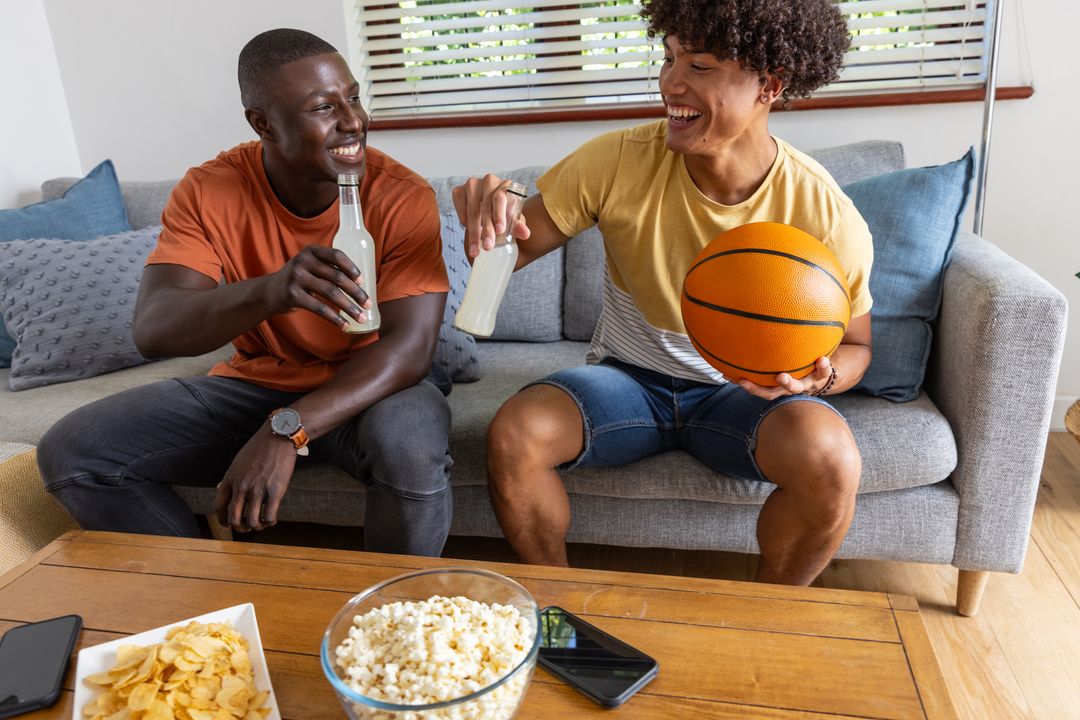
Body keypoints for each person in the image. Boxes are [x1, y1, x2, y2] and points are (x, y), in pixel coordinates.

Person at [453, 0, 872, 585]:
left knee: (832, 458)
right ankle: (559, 610)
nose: (670, 82)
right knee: (516, 432)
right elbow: (503, 252)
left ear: (768, 86)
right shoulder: (616, 161)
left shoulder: (822, 210)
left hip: (744, 394)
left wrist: (818, 379)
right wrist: (485, 215)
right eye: (669, 57)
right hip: (628, 381)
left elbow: (857, 345)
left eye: (699, 67)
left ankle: (776, 612)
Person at [37, 29, 454, 557]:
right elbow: (154, 329)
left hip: (372, 388)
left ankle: (386, 628)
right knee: (76, 451)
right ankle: (210, 614)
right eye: (324, 107)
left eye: (352, 97)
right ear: (264, 123)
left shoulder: (400, 195)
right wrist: (271, 292)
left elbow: (410, 352)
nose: (353, 121)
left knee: (410, 442)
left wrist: (287, 431)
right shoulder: (210, 190)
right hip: (259, 384)